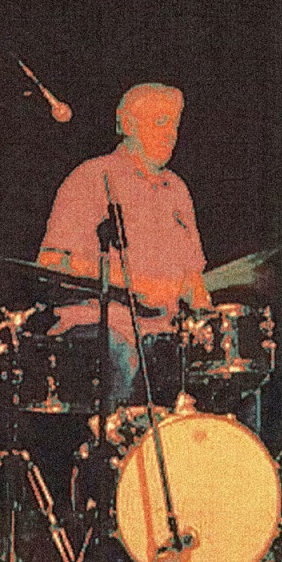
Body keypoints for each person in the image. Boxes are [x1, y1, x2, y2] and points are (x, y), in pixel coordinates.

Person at [37, 82, 211, 408]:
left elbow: (193, 274)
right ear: (128, 125)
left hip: (165, 334)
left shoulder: (177, 190)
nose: (170, 134)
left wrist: (201, 301)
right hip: (99, 329)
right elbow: (50, 263)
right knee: (120, 353)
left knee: (228, 374)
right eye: (160, 122)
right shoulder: (92, 177)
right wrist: (133, 283)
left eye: (174, 125)